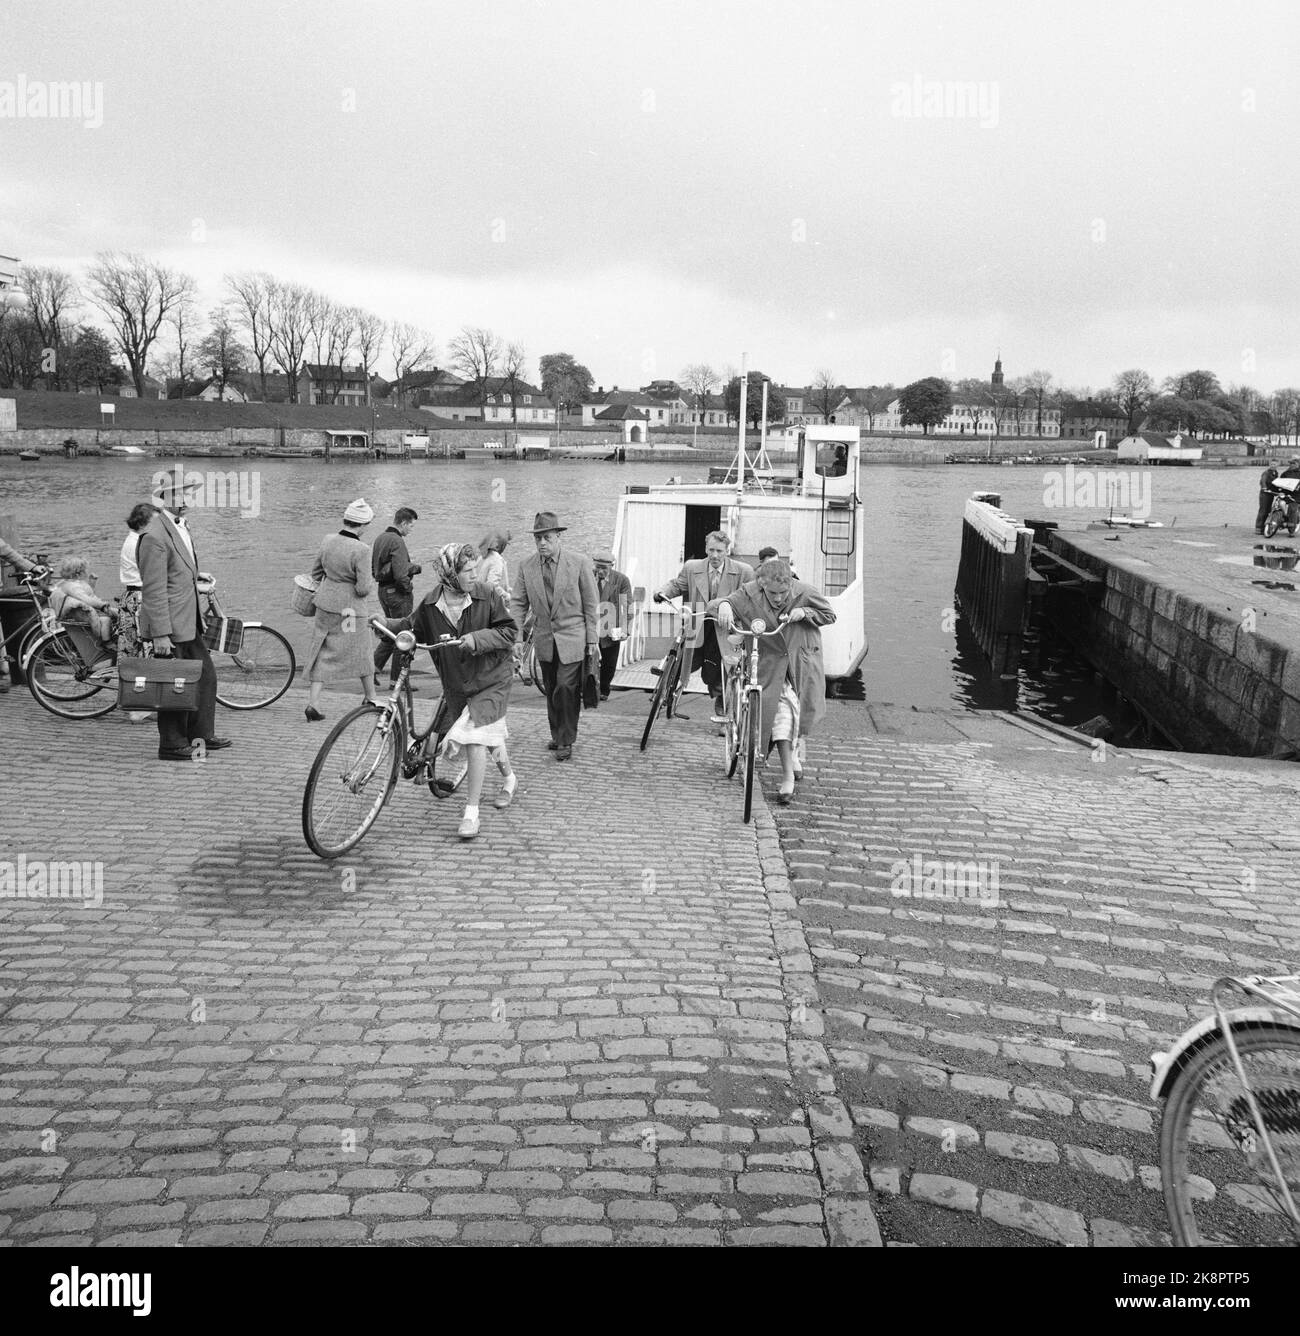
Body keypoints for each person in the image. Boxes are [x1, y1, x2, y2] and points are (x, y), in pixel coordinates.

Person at [388, 542, 518, 841]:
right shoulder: (432, 602)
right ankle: (510, 779)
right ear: (450, 575)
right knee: (489, 736)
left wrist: (477, 639)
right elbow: (411, 628)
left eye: (476, 569)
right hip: (457, 683)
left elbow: (510, 632)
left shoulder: (488, 595)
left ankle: (471, 814)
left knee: (474, 739)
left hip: (491, 679)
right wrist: (387, 624)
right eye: (467, 571)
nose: (475, 575)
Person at [716, 557, 835, 805]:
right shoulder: (748, 593)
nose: (779, 598)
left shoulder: (805, 591)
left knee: (802, 714)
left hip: (798, 661)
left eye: (783, 593)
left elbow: (829, 615)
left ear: (790, 584)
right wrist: (725, 606)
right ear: (761, 584)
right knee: (783, 715)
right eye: (772, 593)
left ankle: (793, 756)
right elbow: (720, 603)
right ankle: (788, 775)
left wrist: (805, 613)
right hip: (769, 664)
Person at [137, 476, 229, 762]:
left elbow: (176, 568)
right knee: (175, 684)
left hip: (188, 619)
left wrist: (194, 575)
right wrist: (161, 633)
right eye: (182, 495)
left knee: (205, 677)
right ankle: (172, 744)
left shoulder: (178, 526)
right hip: (172, 624)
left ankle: (201, 735)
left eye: (190, 495)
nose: (188, 501)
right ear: (164, 497)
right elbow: (153, 589)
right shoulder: (154, 534)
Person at [511, 511, 598, 761]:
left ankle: (566, 739)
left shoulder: (579, 563)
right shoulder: (526, 566)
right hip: (545, 640)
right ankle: (557, 733)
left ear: (558, 537)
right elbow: (518, 604)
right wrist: (517, 638)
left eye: (547, 537)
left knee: (566, 687)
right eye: (537, 538)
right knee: (551, 689)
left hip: (573, 638)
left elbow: (592, 604)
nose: (541, 543)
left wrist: (592, 640)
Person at [654, 530, 754, 720]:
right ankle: (666, 691)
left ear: (727, 550)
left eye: (719, 551)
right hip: (697, 622)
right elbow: (678, 585)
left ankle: (725, 710)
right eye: (711, 550)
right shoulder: (692, 567)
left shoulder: (744, 571)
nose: (714, 555)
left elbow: (749, 598)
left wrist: (729, 606)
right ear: (705, 549)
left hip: (724, 627)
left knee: (723, 670)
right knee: (682, 660)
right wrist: (662, 591)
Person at [305, 498, 376, 721]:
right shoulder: (362, 549)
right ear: (363, 525)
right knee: (362, 650)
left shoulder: (327, 540)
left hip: (325, 604)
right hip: (351, 609)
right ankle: (371, 696)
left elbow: (315, 573)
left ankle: (313, 703)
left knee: (323, 652)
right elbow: (363, 588)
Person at [372, 506, 421, 687]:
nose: (411, 529)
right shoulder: (397, 541)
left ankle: (373, 669)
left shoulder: (380, 538)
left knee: (389, 632)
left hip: (383, 591)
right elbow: (401, 574)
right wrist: (408, 588)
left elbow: (375, 569)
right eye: (411, 526)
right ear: (403, 523)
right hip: (398, 593)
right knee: (404, 634)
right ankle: (397, 681)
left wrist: (411, 567)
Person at [118, 502, 157, 721]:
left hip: (132, 597)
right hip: (141, 599)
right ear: (144, 522)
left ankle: (137, 705)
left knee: (133, 652)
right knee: (146, 651)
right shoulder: (140, 543)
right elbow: (153, 571)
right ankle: (140, 708)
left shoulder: (133, 539)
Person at [592, 550, 631, 700]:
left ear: (611, 566)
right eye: (598, 567)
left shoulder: (621, 580)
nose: (600, 571)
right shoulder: (588, 577)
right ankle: (587, 688)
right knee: (587, 659)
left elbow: (626, 605)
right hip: (591, 624)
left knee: (609, 662)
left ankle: (604, 689)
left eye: (604, 568)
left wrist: (624, 628)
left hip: (611, 626)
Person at [51, 557, 116, 643]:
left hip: (86, 610)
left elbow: (87, 594)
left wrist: (91, 583)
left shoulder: (73, 583)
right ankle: (107, 643)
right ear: (78, 574)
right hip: (82, 613)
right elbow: (86, 599)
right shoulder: (72, 587)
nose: (87, 572)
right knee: (106, 620)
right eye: (85, 571)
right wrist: (102, 604)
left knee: (118, 612)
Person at [478, 530, 512, 597]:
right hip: (490, 602)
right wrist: (507, 596)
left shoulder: (482, 557)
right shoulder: (497, 560)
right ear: (501, 545)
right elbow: (492, 586)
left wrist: (508, 589)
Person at [1257, 463, 1280, 534]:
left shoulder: (1275, 473)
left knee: (1268, 510)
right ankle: (1258, 528)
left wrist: (1279, 490)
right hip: (1264, 494)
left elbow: (1275, 483)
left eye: (1275, 464)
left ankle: (1264, 527)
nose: (1273, 466)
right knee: (1263, 510)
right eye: (1272, 464)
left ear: (1277, 466)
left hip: (1271, 494)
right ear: (1270, 465)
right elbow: (1262, 481)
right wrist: (1264, 487)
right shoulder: (1266, 473)